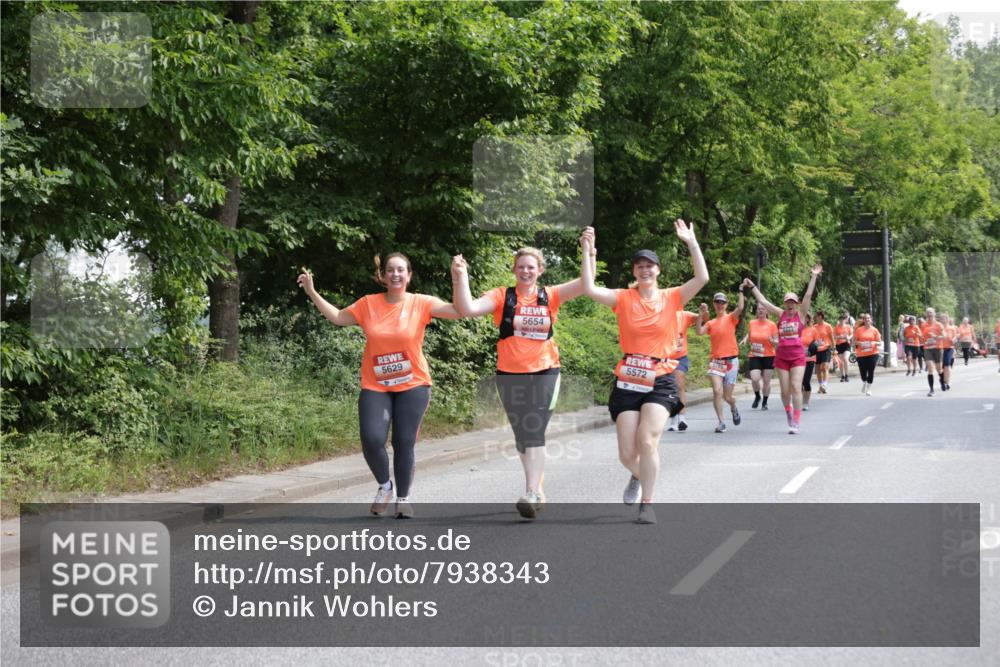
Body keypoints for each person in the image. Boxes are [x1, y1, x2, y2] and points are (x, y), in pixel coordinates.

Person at [298, 254, 462, 519]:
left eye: (400, 270)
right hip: (376, 385)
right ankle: (385, 486)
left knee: (403, 442)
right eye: (390, 270)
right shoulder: (368, 304)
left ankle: (403, 498)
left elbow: (457, 311)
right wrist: (312, 292)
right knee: (372, 439)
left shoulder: (422, 303)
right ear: (383, 276)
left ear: (409, 275)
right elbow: (339, 317)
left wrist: (458, 277)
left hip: (413, 384)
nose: (395, 275)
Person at [580, 221, 708, 524]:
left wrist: (691, 242)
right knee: (627, 453)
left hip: (661, 375)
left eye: (650, 265)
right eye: (640, 266)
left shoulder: (672, 297)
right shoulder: (623, 298)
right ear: (634, 272)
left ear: (658, 271)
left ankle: (647, 502)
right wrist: (587, 252)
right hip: (629, 376)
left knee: (648, 440)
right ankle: (639, 475)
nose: (645, 269)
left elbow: (702, 277)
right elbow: (588, 288)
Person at [450, 246, 588, 520]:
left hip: (545, 371)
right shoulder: (502, 296)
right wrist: (460, 276)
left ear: (540, 270)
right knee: (522, 436)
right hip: (509, 374)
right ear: (514, 270)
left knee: (533, 429)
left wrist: (587, 251)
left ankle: (531, 492)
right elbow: (467, 308)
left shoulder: (551, 295)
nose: (526, 271)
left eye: (531, 267)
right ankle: (537, 486)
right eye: (521, 267)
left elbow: (586, 283)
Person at [744, 264, 822, 434]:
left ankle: (796, 420)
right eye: (788, 302)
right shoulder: (781, 314)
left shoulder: (801, 316)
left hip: (797, 357)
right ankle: (788, 411)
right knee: (785, 391)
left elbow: (808, 294)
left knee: (796, 386)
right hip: (781, 358)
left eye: (793, 302)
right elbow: (763, 301)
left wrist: (814, 276)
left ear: (797, 304)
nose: (790, 304)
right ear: (785, 304)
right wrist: (753, 287)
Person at [697, 289, 746, 433]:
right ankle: (721, 422)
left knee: (727, 396)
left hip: (731, 361)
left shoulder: (731, 318)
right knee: (717, 391)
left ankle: (733, 406)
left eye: (722, 302)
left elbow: (741, 307)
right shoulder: (711, 323)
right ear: (714, 304)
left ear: (726, 304)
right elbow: (699, 331)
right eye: (717, 302)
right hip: (716, 362)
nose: (720, 305)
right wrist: (700, 315)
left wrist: (741, 290)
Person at [667, 308, 700, 432]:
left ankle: (681, 418)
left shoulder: (684, 315)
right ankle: (674, 418)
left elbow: (702, 318)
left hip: (680, 357)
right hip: (664, 358)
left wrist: (703, 312)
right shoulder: (661, 315)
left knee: (679, 384)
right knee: (669, 388)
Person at [741, 305, 778, 410]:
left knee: (766, 381)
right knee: (754, 378)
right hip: (755, 354)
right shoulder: (752, 323)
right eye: (759, 309)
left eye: (763, 308)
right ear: (757, 311)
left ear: (766, 311)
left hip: (769, 355)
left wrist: (773, 341)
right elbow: (750, 333)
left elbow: (777, 341)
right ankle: (757, 396)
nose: (760, 310)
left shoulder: (772, 324)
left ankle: (765, 402)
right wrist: (745, 339)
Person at [854, 313, 882, 395]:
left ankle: (869, 389)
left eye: (868, 318)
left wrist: (874, 342)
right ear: (863, 320)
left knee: (871, 370)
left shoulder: (875, 330)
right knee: (863, 371)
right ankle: (864, 382)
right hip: (861, 354)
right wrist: (860, 343)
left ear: (871, 320)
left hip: (873, 353)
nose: (867, 320)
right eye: (865, 318)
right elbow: (854, 342)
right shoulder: (859, 330)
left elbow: (879, 343)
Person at [921, 308, 945, 396]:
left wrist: (936, 337)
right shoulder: (923, 325)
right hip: (928, 348)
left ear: (934, 314)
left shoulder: (939, 325)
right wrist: (923, 340)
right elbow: (922, 337)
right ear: (926, 315)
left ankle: (942, 382)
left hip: (938, 348)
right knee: (930, 369)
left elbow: (944, 336)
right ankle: (931, 390)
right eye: (928, 313)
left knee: (939, 369)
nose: (929, 314)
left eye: (931, 312)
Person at [813, 310, 834, 393]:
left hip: (826, 348)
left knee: (824, 367)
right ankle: (820, 385)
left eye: (816, 316)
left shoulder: (828, 326)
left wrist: (834, 348)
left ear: (820, 316)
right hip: (817, 350)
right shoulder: (814, 327)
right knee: (818, 369)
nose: (815, 317)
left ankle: (825, 384)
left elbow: (832, 338)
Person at [800, 313, 817, 410]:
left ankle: (806, 402)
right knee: (799, 382)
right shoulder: (797, 330)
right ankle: (801, 401)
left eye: (804, 317)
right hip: (798, 359)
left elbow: (817, 344)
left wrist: (812, 348)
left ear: (808, 319)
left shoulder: (813, 330)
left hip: (809, 359)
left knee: (806, 381)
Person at [834, 313, 854, 382]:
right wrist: (840, 336)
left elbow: (851, 334)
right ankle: (842, 375)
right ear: (839, 320)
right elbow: (834, 336)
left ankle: (847, 375)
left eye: (843, 319)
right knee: (841, 362)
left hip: (846, 344)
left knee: (845, 359)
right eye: (840, 320)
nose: (842, 321)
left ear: (845, 320)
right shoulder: (836, 327)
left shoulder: (848, 327)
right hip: (839, 345)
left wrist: (848, 337)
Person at [940, 314, 957, 388]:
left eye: (945, 319)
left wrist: (954, 340)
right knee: (942, 367)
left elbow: (955, 337)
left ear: (947, 320)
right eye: (942, 319)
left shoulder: (952, 328)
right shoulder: (939, 328)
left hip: (949, 348)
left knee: (947, 365)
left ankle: (948, 382)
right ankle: (944, 381)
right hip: (940, 349)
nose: (943, 320)